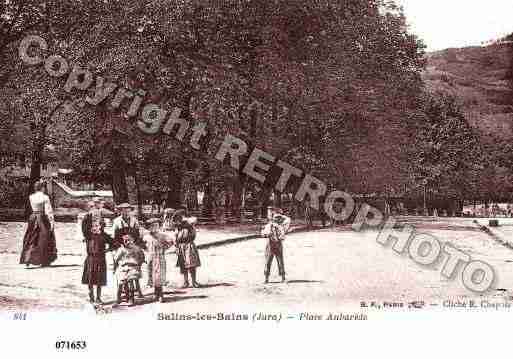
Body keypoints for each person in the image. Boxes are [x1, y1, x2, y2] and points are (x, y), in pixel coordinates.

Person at [20, 180, 58, 267]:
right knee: (45, 237)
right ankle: (44, 259)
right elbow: (49, 211)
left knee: (31, 237)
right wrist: (52, 222)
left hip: (33, 217)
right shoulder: (45, 197)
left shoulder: (31, 196)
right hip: (42, 218)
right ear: (42, 188)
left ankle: (28, 258)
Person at [111, 203, 145, 298]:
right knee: (121, 267)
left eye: (128, 210)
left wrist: (136, 245)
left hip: (133, 246)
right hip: (121, 247)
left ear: (130, 210)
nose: (126, 212)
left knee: (135, 266)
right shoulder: (117, 221)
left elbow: (139, 234)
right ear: (120, 211)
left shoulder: (134, 221)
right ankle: (123, 289)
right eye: (123, 210)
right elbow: (113, 237)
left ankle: (137, 289)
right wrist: (119, 247)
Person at [81, 219, 113, 304]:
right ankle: (91, 297)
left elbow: (114, 244)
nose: (94, 228)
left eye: (97, 226)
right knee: (90, 279)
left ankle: (98, 298)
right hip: (90, 259)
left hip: (100, 259)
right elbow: (84, 226)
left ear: (101, 226)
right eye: (93, 226)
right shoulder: (88, 235)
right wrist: (88, 216)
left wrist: (107, 250)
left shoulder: (104, 235)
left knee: (99, 279)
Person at [144, 218, 175, 302]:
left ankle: (160, 294)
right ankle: (155, 293)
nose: (154, 228)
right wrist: (146, 250)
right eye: (152, 226)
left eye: (156, 226)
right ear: (149, 227)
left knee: (159, 276)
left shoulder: (162, 235)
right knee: (152, 275)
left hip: (159, 257)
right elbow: (142, 244)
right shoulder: (146, 237)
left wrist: (165, 248)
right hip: (150, 257)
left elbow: (171, 242)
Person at [261, 206, 291, 284]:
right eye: (275, 218)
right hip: (270, 244)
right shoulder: (269, 226)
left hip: (278, 244)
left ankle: (283, 277)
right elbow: (263, 233)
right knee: (268, 261)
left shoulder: (282, 226)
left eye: (278, 218)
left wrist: (279, 214)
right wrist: (266, 234)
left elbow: (288, 220)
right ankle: (266, 278)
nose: (276, 219)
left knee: (280, 261)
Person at [113, 234, 145, 306]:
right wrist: (118, 264)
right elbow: (116, 258)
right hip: (123, 268)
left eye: (128, 240)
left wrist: (138, 264)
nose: (127, 242)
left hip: (133, 267)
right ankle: (118, 299)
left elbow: (142, 256)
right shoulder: (121, 249)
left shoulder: (136, 248)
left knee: (131, 281)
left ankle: (131, 299)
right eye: (125, 241)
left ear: (132, 241)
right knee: (120, 283)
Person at [172, 209, 201, 288]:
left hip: (189, 245)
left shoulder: (189, 224)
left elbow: (194, 220)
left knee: (191, 264)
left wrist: (184, 219)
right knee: (183, 265)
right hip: (181, 246)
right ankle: (185, 282)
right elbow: (175, 237)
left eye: (179, 219)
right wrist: (176, 246)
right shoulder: (178, 228)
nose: (178, 222)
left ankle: (194, 281)